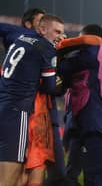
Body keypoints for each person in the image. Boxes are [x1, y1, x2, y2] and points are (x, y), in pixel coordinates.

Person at [57, 24, 102, 186]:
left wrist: (57, 48)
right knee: (74, 176)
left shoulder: (94, 53)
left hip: (98, 125)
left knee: (95, 178)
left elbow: (63, 68)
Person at [0, 14, 64, 186]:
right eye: (57, 31)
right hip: (18, 110)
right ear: (42, 29)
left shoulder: (18, 35)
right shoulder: (46, 48)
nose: (60, 36)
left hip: (4, 105)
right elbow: (51, 88)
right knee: (8, 177)